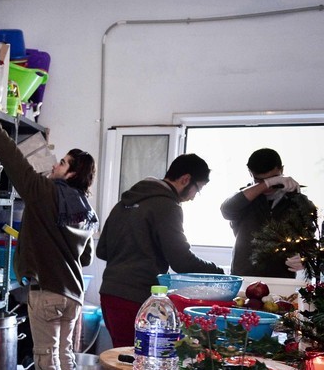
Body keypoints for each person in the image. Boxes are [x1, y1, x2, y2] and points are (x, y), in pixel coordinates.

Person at [0, 98, 98, 370]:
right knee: (64, 358)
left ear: (71, 172)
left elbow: (11, 158)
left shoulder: (44, 192)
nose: (56, 165)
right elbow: (86, 258)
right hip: (74, 293)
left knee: (46, 359)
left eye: (62, 162)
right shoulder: (86, 209)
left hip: (47, 291)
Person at [96, 154, 224, 355]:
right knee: (138, 363)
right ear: (185, 179)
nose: (193, 197)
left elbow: (101, 250)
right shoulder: (167, 206)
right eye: (197, 190)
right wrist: (217, 272)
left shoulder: (124, 203)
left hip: (110, 293)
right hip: (137, 297)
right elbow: (181, 261)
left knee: (124, 358)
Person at [220, 148, 317, 278]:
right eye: (260, 180)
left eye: (273, 178)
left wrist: (305, 257)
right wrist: (269, 182)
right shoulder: (244, 199)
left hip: (282, 279)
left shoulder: (298, 202)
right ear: (250, 173)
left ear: (282, 170)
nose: (269, 187)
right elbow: (227, 210)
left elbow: (310, 240)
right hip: (244, 277)